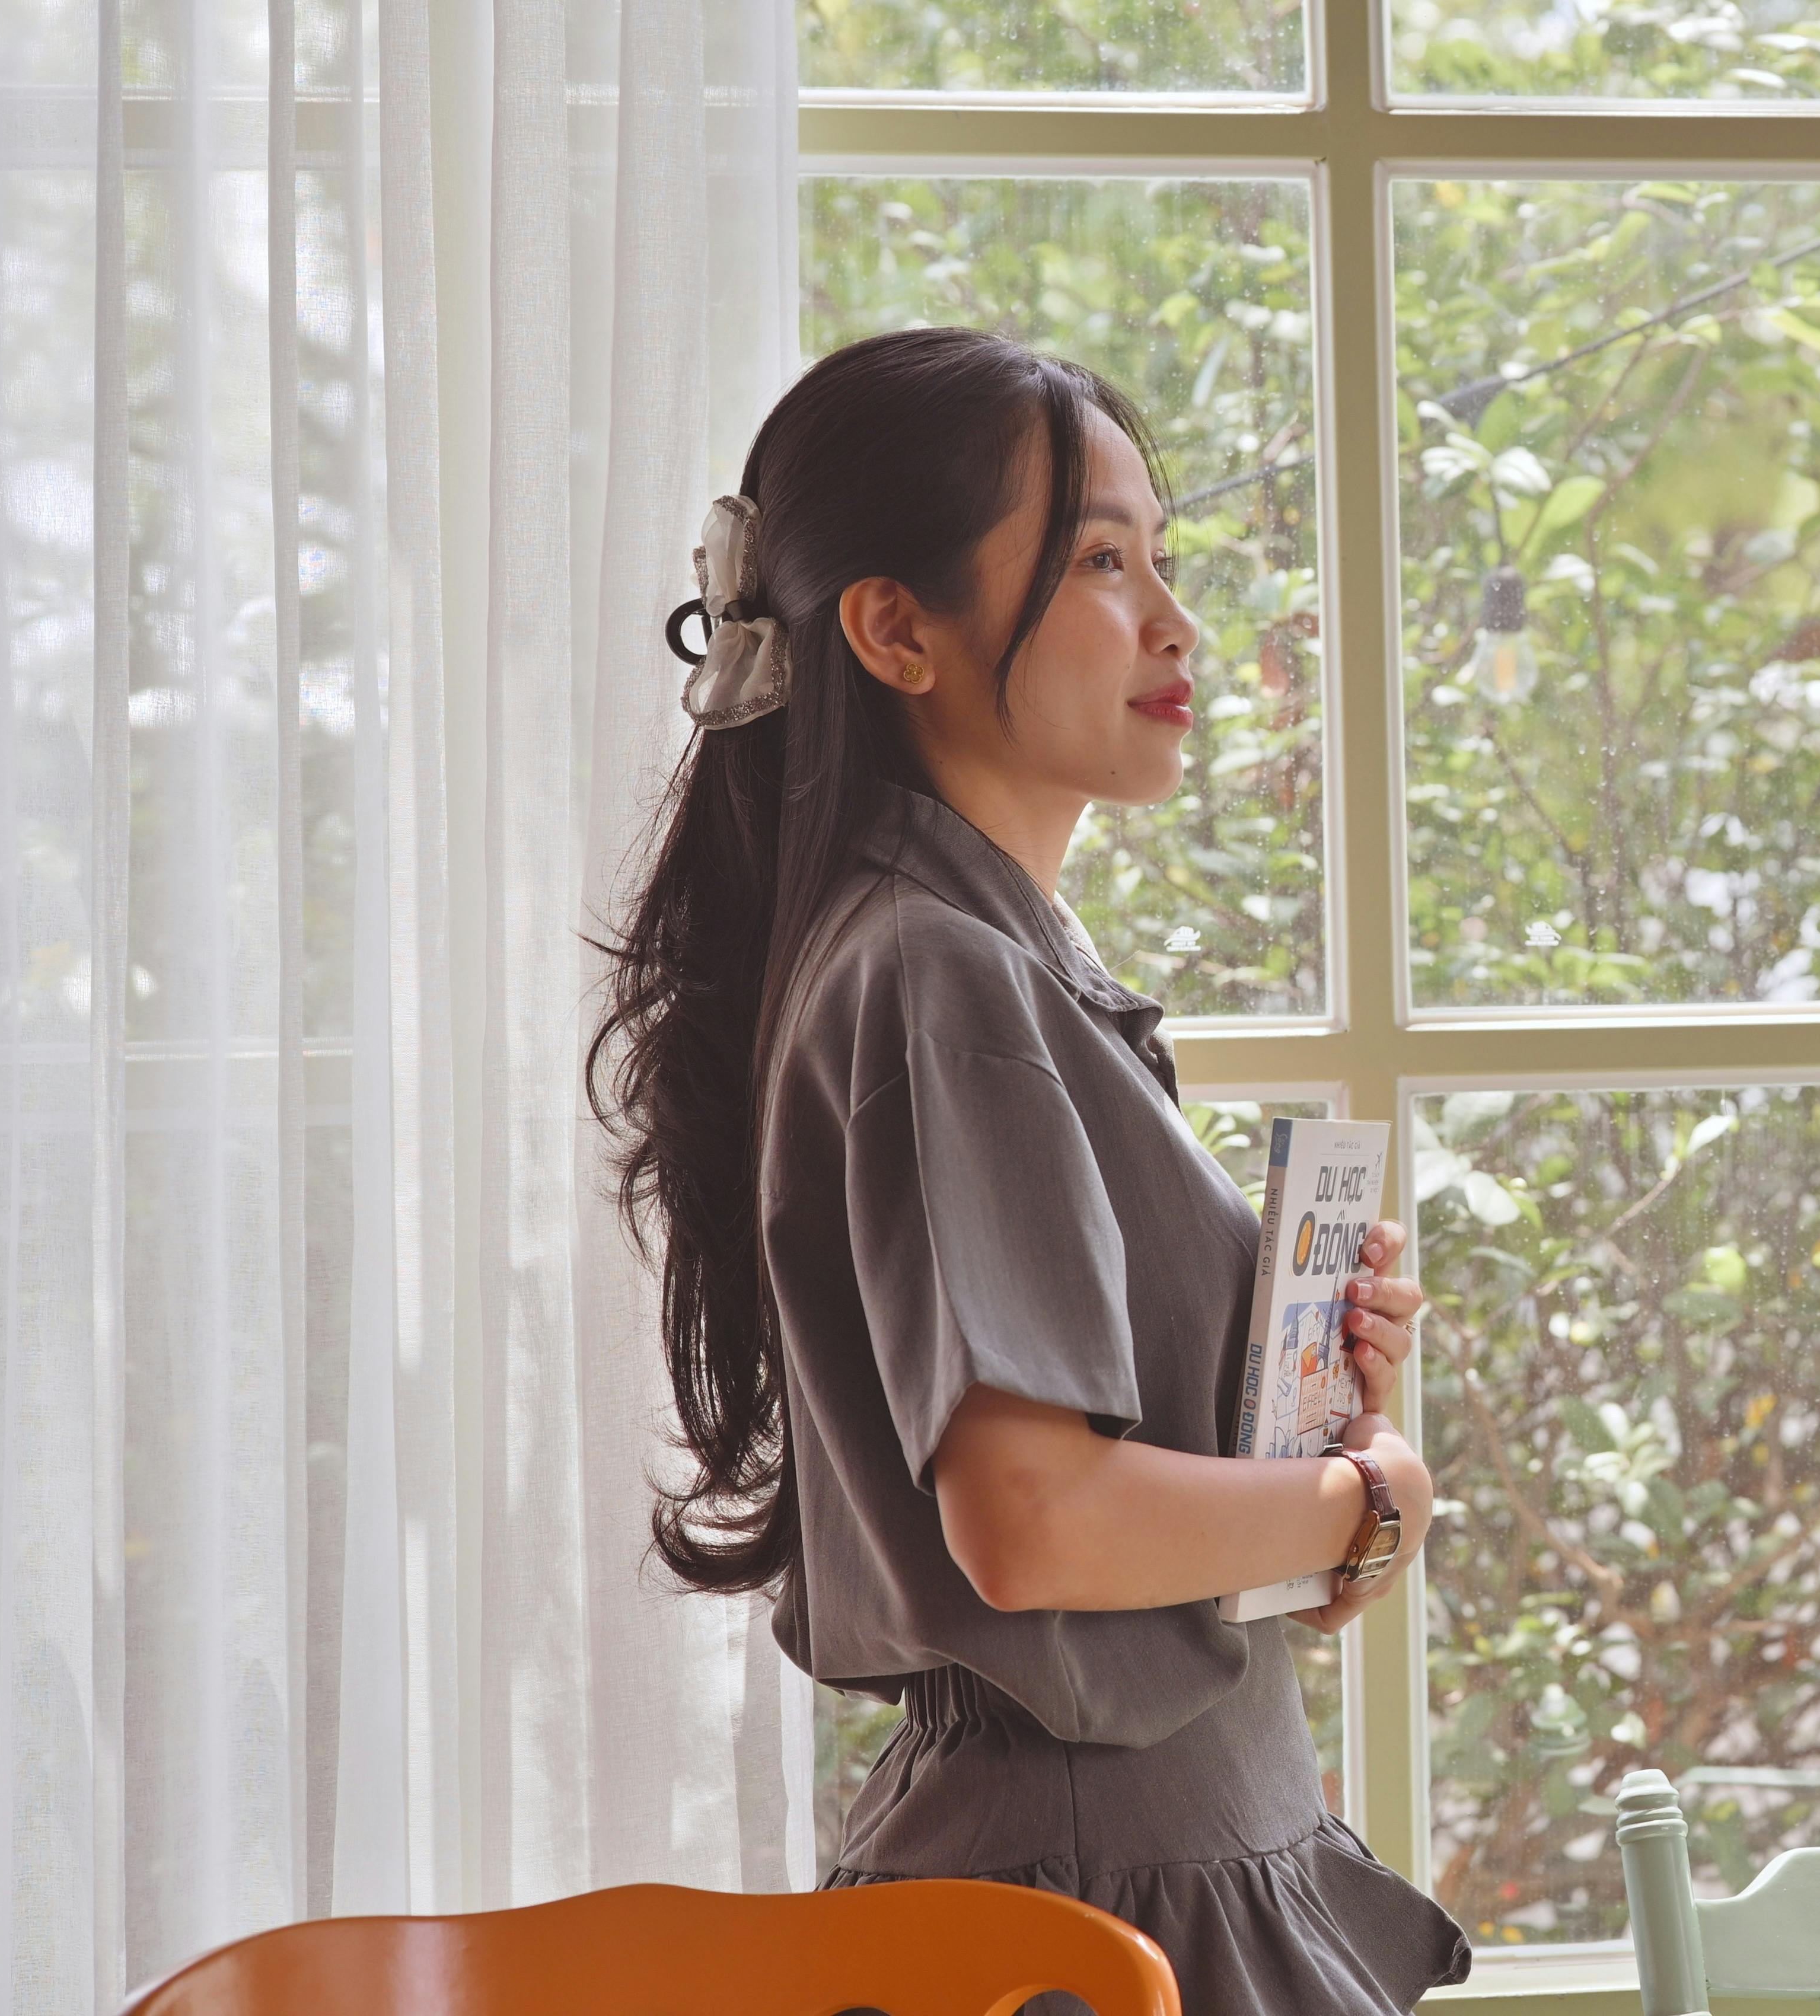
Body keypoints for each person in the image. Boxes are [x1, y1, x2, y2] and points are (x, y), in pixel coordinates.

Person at [590, 326, 1468, 2012]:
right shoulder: (942, 972)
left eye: (1160, 556)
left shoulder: (968, 953)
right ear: (894, 631)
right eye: (1098, 562)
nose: (1173, 620)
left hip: (1132, 1860)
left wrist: (1303, 1444)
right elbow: (1032, 1525)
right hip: (1089, 1902)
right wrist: (1370, 1503)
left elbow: (1063, 1531)